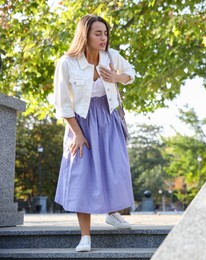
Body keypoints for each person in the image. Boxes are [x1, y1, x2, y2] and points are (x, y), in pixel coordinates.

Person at [53, 14, 135, 252]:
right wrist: (77, 133)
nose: (103, 38)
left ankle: (113, 213)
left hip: (108, 118)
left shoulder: (111, 56)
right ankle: (85, 236)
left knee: (115, 167)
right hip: (81, 122)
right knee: (83, 175)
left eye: (105, 33)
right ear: (85, 35)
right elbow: (62, 105)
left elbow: (131, 72)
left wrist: (117, 76)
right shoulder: (67, 63)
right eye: (98, 33)